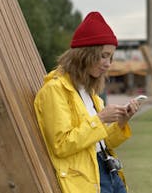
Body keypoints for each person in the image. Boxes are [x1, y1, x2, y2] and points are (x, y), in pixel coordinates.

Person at [34, 11, 141, 193]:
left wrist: (121, 122)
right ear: (85, 54)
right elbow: (61, 145)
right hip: (88, 178)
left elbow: (103, 142)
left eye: (111, 57)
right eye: (103, 55)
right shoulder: (54, 90)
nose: (108, 63)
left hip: (110, 172)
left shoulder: (89, 92)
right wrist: (100, 119)